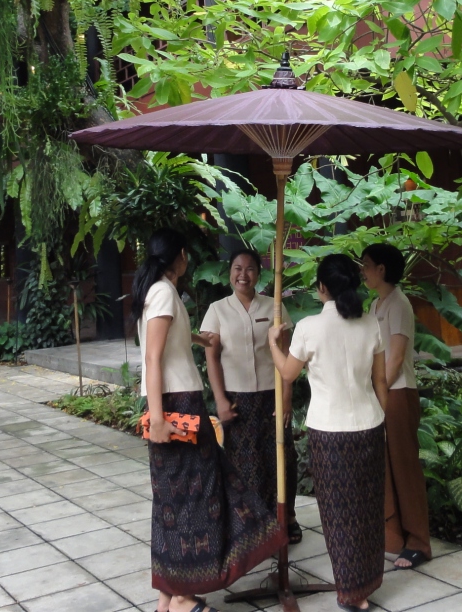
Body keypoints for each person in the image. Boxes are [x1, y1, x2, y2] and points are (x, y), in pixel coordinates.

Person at [136, 228, 284, 612]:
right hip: (176, 403)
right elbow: (153, 356)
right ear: (181, 256)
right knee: (193, 497)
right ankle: (183, 598)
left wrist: (201, 341)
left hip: (176, 401)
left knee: (175, 499)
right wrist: (157, 418)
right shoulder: (164, 292)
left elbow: (169, 342)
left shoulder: (158, 291)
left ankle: (168, 596)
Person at [269, 254, 388, 612]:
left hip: (329, 432)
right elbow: (380, 382)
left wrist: (274, 343)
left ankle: (351, 593)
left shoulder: (308, 327)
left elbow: (288, 374)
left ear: (322, 287)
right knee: (368, 510)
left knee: (338, 514)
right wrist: (383, 420)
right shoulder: (370, 323)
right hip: (370, 425)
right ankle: (365, 584)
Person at [200, 248, 299, 542]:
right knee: (244, 463)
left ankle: (287, 517)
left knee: (282, 458)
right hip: (237, 399)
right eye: (237, 268)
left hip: (272, 396)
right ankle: (252, 523)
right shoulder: (217, 310)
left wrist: (287, 397)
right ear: (230, 272)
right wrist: (220, 399)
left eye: (250, 269)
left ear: (259, 273)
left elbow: (287, 354)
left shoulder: (275, 308)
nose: (243, 275)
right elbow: (211, 357)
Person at [362, 243, 432, 569]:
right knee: (386, 467)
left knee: (404, 468)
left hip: (397, 393)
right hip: (382, 393)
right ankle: (394, 536)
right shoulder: (376, 304)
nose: (363, 271)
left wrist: (379, 394)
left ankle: (419, 542)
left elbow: (397, 356)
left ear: (382, 269)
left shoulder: (399, 304)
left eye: (367, 265)